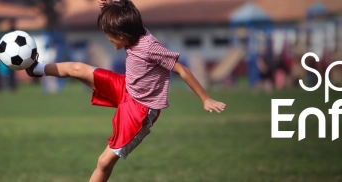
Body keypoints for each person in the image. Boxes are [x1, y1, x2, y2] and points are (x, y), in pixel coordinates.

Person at [24, 1, 226, 181]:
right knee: (76, 68)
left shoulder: (150, 48)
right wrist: (111, 6)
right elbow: (127, 10)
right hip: (125, 87)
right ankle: (35, 68)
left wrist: (205, 99)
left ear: (121, 35)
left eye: (108, 35)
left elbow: (182, 69)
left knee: (104, 162)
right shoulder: (132, 30)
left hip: (140, 110)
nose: (107, 38)